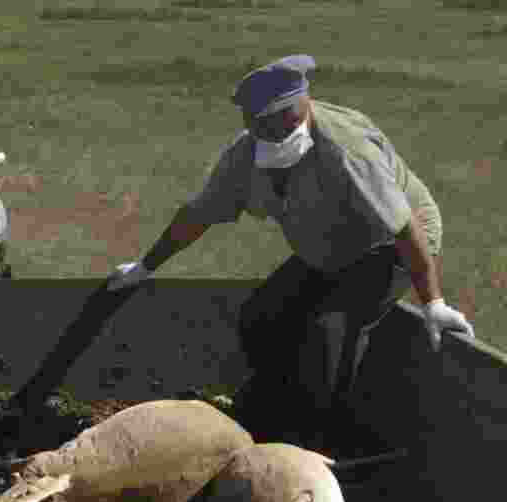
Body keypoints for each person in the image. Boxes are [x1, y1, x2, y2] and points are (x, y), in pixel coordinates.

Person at [106, 55, 476, 444]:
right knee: (260, 318)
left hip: (390, 243)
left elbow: (405, 225)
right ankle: (271, 409)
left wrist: (433, 302)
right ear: (251, 123)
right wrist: (144, 267)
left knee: (328, 333)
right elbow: (198, 214)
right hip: (330, 244)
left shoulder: (346, 149)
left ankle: (320, 440)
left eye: (287, 124)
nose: (276, 136)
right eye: (264, 128)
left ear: (301, 109)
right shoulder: (246, 155)